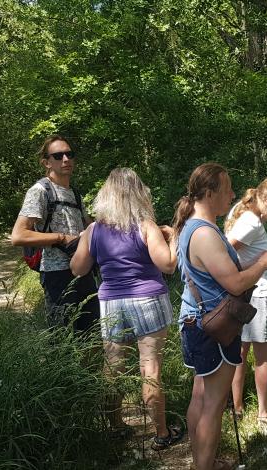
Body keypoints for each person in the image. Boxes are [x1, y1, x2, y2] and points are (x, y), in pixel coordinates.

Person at [173, 163, 267, 470]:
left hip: (197, 320)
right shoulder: (205, 233)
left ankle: (202, 462)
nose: (234, 195)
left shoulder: (192, 227)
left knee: (200, 397)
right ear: (209, 194)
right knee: (212, 405)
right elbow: (235, 283)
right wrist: (263, 262)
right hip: (212, 326)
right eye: (227, 190)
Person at [70, 168, 182, 449]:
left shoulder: (94, 229)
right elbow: (168, 265)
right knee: (150, 368)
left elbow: (78, 268)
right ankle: (161, 434)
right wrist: (175, 237)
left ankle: (117, 428)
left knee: (112, 369)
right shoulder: (146, 226)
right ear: (139, 193)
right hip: (149, 301)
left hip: (112, 303)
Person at [225, 175, 267, 433]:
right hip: (258, 293)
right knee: (263, 357)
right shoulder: (252, 222)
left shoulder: (241, 209)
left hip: (241, 292)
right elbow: (225, 255)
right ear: (265, 199)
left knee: (239, 353)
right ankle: (264, 414)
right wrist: (263, 262)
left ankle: (237, 406)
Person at [11, 134, 99, 334]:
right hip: (56, 274)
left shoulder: (74, 193)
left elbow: (90, 226)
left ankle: (88, 367)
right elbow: (18, 236)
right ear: (46, 162)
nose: (66, 159)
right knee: (62, 337)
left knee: (91, 334)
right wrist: (60, 238)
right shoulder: (40, 191)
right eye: (58, 156)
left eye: (69, 154)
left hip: (83, 269)